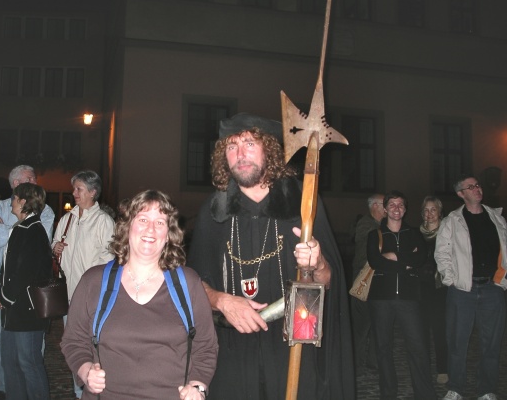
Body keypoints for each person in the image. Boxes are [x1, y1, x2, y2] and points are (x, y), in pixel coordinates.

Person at [186, 113, 354, 399]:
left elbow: (328, 284)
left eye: (250, 143)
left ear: (269, 150)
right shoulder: (213, 212)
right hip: (233, 353)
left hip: (293, 348)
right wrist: (222, 301)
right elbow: (192, 284)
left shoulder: (302, 203)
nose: (240, 153)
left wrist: (319, 263)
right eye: (231, 146)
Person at [61, 189, 218, 399]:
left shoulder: (187, 283)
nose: (150, 229)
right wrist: (86, 370)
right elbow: (73, 340)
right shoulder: (94, 281)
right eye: (142, 219)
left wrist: (198, 387)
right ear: (127, 227)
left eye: (160, 222)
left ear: (169, 234)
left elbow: (206, 345)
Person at [0, 164, 54, 400]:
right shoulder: (22, 228)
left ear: (23, 202)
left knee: (29, 363)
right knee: (10, 360)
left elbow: (24, 273)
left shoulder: (32, 230)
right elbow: (7, 267)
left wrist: (3, 297)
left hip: (26, 312)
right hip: (12, 310)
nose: (11, 201)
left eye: (14, 199)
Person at [435, 175, 507, 400]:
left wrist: (503, 281)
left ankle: (487, 390)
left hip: (492, 289)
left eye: (477, 185)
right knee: (457, 342)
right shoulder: (452, 221)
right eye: (471, 187)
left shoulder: (497, 218)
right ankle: (456, 388)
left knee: (492, 344)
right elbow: (442, 253)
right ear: (461, 194)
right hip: (462, 290)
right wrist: (452, 280)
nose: (477, 189)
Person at [366, 190, 436, 400]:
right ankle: (388, 393)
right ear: (385, 209)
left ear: (405, 210)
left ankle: (425, 394)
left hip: (409, 297)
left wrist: (392, 257)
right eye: (393, 205)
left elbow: (420, 259)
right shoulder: (374, 235)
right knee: (383, 348)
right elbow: (375, 262)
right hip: (381, 298)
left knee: (418, 347)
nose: (397, 209)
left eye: (401, 205)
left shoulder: (414, 234)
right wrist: (405, 262)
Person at [52, 170, 115, 399]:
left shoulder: (103, 222)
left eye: (79, 189)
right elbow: (56, 244)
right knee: (74, 348)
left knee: (96, 348)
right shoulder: (66, 219)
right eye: (74, 188)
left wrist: (89, 285)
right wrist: (55, 247)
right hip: (68, 297)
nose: (74, 193)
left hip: (93, 299)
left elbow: (109, 258)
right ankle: (79, 392)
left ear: (92, 192)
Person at [351, 193, 385, 374]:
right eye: (384, 204)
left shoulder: (380, 225)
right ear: (374, 206)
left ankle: (373, 360)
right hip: (364, 280)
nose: (387, 207)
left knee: (377, 322)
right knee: (361, 324)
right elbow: (369, 245)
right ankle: (356, 363)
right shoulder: (366, 224)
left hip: (377, 280)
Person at [419, 196, 448, 385]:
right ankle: (423, 370)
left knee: (440, 330)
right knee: (420, 332)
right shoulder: (415, 234)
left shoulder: (447, 233)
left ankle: (443, 369)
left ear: (439, 212)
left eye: (433, 210)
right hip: (420, 288)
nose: (429, 214)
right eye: (426, 210)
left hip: (439, 288)